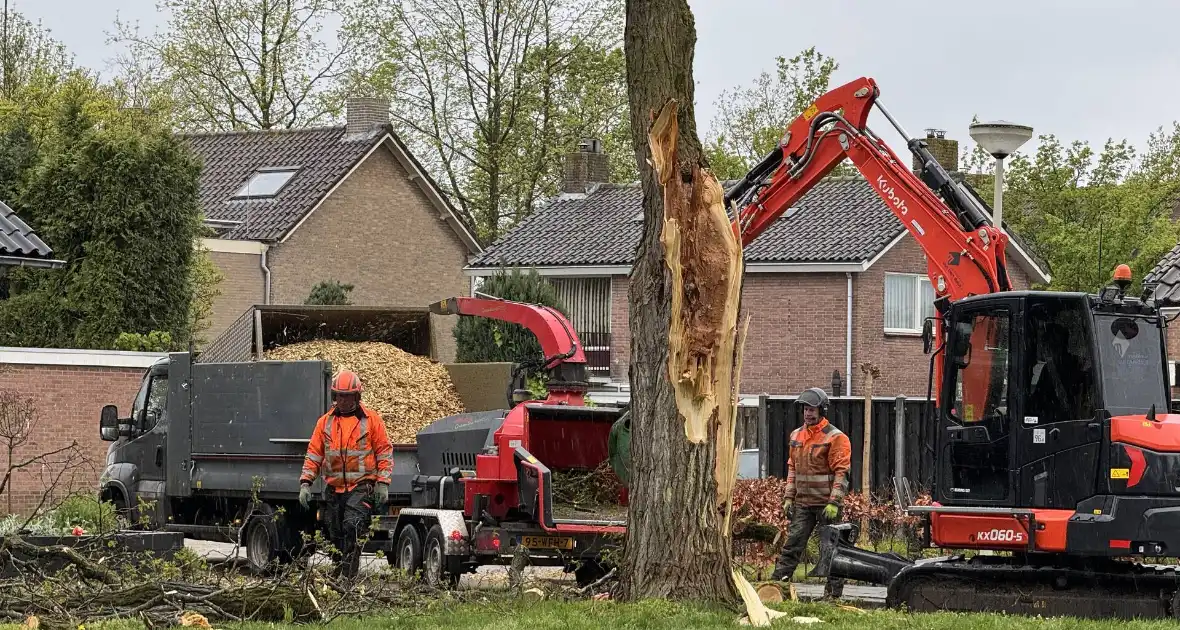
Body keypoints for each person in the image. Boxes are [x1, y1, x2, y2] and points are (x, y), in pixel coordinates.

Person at [299, 369, 394, 577]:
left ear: (356, 396)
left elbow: (384, 452)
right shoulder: (325, 422)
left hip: (361, 486)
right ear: (335, 396)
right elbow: (314, 453)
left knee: (352, 526)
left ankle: (347, 578)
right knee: (335, 533)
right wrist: (306, 482)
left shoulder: (372, 421)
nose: (343, 400)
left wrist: (383, 483)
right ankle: (340, 571)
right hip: (334, 488)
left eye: (348, 396)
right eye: (340, 395)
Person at [771, 387, 851, 598]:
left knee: (833, 550)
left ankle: (833, 595)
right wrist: (788, 497)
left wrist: (834, 502)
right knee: (792, 545)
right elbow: (792, 468)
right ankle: (776, 588)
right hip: (803, 504)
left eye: (813, 409)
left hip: (827, 505)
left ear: (822, 410)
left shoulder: (835, 437)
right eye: (806, 409)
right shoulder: (796, 435)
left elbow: (841, 473)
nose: (808, 413)